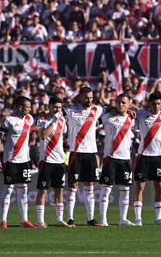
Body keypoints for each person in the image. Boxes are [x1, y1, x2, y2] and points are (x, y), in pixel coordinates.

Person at [64, 87, 104, 227]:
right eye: (86, 97)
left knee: (90, 186)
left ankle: (90, 219)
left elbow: (112, 110)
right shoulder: (71, 111)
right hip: (76, 152)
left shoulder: (96, 110)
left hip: (91, 153)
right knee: (73, 186)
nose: (89, 100)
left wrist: (128, 111)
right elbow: (55, 112)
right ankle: (70, 219)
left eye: (91, 97)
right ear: (80, 96)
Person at [0, 96, 37, 229]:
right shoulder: (8, 120)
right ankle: (3, 221)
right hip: (11, 160)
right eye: (28, 107)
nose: (30, 109)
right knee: (8, 190)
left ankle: (24, 220)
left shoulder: (29, 119)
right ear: (20, 107)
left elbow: (38, 122)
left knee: (23, 191)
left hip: (24, 160)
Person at [133, 92, 161, 226]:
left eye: (159, 104)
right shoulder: (141, 114)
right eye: (154, 104)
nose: (157, 106)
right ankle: (138, 218)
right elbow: (130, 117)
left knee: (159, 187)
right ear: (149, 104)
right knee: (140, 186)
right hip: (144, 155)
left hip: (159, 156)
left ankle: (158, 219)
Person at [99, 94, 135, 226]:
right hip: (111, 158)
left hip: (125, 158)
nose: (121, 105)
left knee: (125, 190)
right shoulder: (108, 118)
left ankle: (123, 219)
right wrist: (109, 108)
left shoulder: (132, 118)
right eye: (119, 102)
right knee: (106, 190)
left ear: (128, 104)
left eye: (124, 103)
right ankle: (103, 219)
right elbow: (99, 110)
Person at [35, 97, 71, 228]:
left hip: (60, 160)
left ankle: (59, 219)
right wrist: (54, 120)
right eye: (55, 107)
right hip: (47, 160)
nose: (57, 110)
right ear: (49, 106)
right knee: (43, 191)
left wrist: (58, 119)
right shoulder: (42, 119)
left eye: (59, 108)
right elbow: (43, 135)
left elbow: (63, 134)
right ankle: (40, 221)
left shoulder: (62, 120)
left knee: (59, 190)